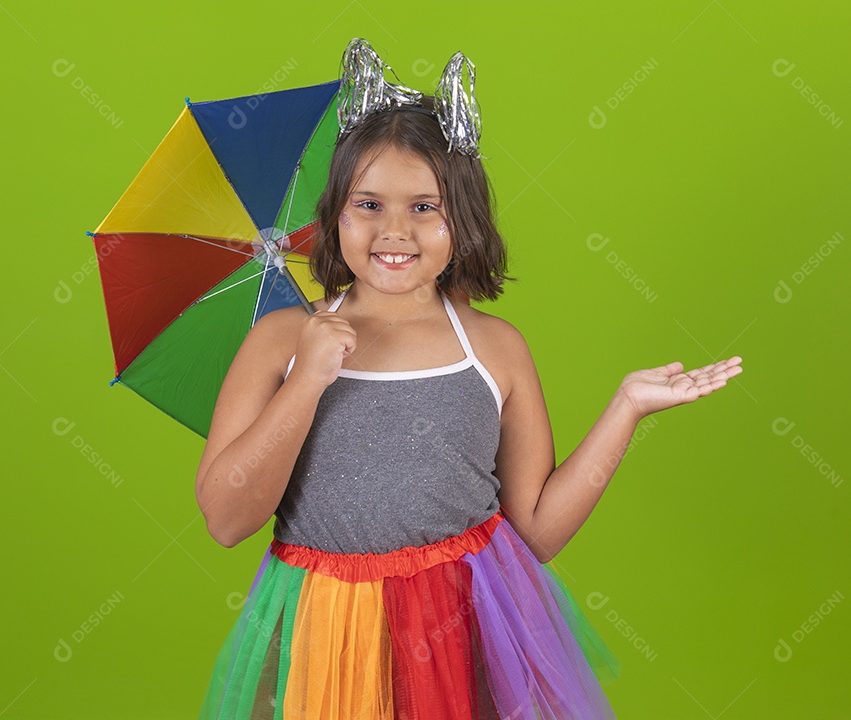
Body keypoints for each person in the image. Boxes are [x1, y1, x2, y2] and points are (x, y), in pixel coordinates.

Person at [195, 39, 743, 720]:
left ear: (464, 218)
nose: (394, 230)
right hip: (324, 635)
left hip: (460, 632)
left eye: (424, 207)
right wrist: (306, 382)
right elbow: (225, 518)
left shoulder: (494, 349)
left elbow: (535, 532)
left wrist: (626, 407)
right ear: (333, 212)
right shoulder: (280, 342)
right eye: (368, 204)